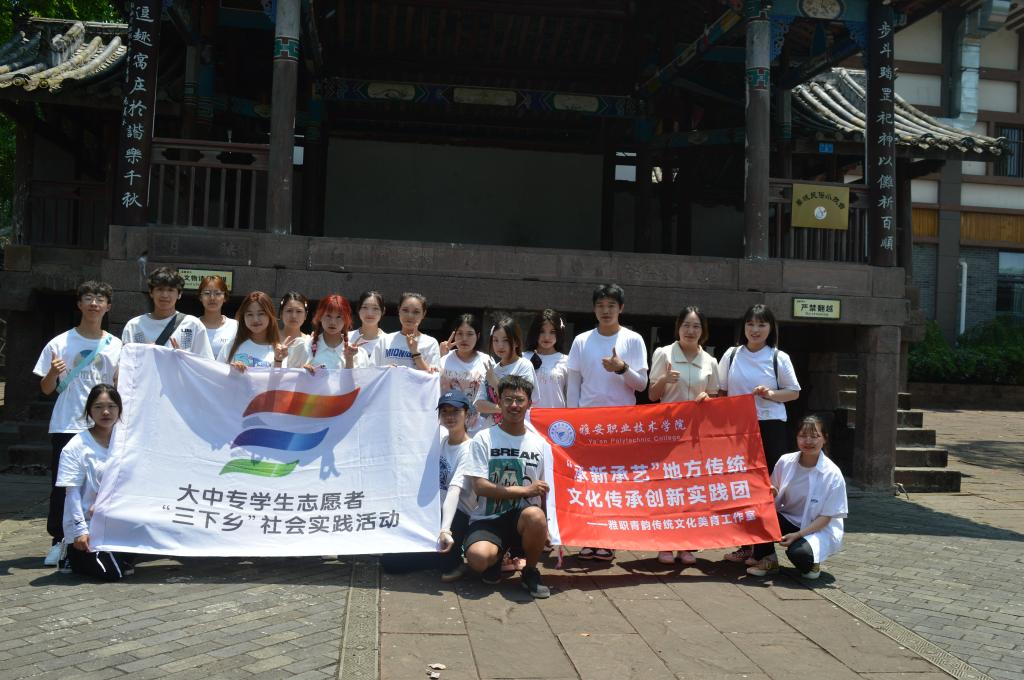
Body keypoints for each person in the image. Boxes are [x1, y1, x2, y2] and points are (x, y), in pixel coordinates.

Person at [33, 281, 123, 566]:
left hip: (104, 425)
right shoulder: (60, 343)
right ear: (79, 304)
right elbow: (46, 389)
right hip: (68, 423)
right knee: (63, 486)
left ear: (108, 306)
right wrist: (52, 373)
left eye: (100, 299)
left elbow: (121, 386)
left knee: (104, 484)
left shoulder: (116, 345)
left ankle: (99, 536)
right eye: (88, 298)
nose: (94, 303)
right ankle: (60, 541)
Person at [567, 283, 648, 562]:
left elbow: (642, 385)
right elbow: (573, 384)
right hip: (588, 422)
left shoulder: (633, 340)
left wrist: (622, 368)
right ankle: (588, 537)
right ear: (593, 309)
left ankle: (608, 539)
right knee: (588, 482)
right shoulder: (581, 341)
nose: (606, 311)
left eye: (611, 305)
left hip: (620, 424)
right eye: (600, 306)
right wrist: (572, 420)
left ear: (621, 308)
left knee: (614, 482)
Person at [718, 303, 801, 565]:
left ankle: (765, 553)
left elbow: (794, 392)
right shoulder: (731, 355)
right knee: (741, 486)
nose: (755, 329)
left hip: (769, 427)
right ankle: (747, 546)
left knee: (765, 488)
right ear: (743, 327)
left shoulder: (778, 357)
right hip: (738, 428)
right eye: (750, 324)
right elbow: (721, 392)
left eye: (761, 324)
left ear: (770, 328)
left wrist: (771, 394)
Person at [462, 375, 552, 599]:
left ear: (529, 404)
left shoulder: (541, 444)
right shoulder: (483, 438)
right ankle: (497, 557)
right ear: (499, 402)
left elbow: (547, 492)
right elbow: (480, 487)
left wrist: (550, 527)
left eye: (520, 400)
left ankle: (530, 571)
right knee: (477, 559)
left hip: (524, 519)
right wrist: (525, 490)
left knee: (536, 517)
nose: (514, 405)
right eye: (508, 399)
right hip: (488, 518)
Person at [648, 306, 719, 565]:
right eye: (686, 325)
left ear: (703, 331)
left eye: (696, 326)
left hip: (696, 434)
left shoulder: (710, 361)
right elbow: (652, 395)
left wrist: (708, 398)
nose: (691, 330)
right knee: (667, 488)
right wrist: (664, 379)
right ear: (678, 327)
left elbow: (716, 398)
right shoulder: (664, 353)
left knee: (691, 489)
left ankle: (686, 545)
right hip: (668, 432)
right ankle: (665, 544)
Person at [746, 415, 847, 580]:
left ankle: (812, 563)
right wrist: (772, 492)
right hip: (790, 518)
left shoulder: (832, 474)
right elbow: (774, 489)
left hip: (817, 526)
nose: (808, 441)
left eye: (814, 436)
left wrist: (798, 535)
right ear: (796, 437)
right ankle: (768, 560)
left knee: (799, 555)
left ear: (825, 439)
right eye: (803, 436)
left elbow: (826, 517)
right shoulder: (785, 461)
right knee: (757, 516)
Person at [56, 384, 134, 580]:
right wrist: (80, 531)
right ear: (89, 411)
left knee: (128, 564)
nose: (106, 412)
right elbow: (72, 493)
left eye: (111, 406)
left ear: (120, 409)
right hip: (89, 523)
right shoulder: (76, 446)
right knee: (113, 573)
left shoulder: (126, 442)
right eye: (98, 407)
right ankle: (71, 552)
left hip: (117, 519)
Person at [121, 267, 214, 360]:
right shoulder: (134, 326)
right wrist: (145, 354)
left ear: (179, 294)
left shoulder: (193, 324)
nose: (165, 295)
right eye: (160, 289)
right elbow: (126, 363)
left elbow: (207, 363)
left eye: (170, 290)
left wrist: (184, 359)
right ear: (151, 292)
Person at [436, 391, 478, 582]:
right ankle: (435, 558)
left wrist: (445, 529)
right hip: (435, 511)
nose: (449, 416)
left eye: (455, 411)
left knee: (447, 567)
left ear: (466, 414)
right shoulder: (442, 441)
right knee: (392, 563)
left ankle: (454, 561)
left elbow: (454, 491)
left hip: (459, 516)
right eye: (444, 412)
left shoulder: (470, 449)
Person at [474, 316, 537, 431]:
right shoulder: (491, 370)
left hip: (517, 429)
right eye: (495, 340)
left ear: (516, 342)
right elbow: (479, 405)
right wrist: (503, 408)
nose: (500, 345)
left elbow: (520, 400)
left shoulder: (524, 366)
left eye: (506, 340)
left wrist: (494, 383)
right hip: (493, 430)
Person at [439, 314, 494, 434]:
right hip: (445, 428)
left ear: (477, 336)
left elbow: (493, 394)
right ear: (454, 335)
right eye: (460, 333)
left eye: (469, 334)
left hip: (477, 429)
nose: (464, 338)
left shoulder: (487, 361)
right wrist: (439, 356)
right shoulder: (443, 359)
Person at [289, 294, 372, 370]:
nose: (333, 322)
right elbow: (289, 377)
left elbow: (361, 381)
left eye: (339, 317)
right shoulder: (304, 346)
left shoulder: (358, 354)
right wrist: (302, 372)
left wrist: (349, 359)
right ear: (320, 317)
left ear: (346, 320)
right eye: (328, 316)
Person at [217, 291, 293, 371]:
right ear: (243, 318)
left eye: (261, 314)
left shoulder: (280, 350)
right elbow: (216, 374)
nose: (255, 320)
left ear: (270, 315)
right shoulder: (231, 346)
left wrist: (278, 361)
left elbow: (280, 378)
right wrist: (232, 372)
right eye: (250, 314)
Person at [371, 292, 440, 372]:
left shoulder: (430, 343)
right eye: (405, 310)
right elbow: (371, 371)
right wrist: (386, 370)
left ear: (423, 314)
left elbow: (433, 376)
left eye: (416, 312)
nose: (410, 316)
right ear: (399, 310)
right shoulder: (385, 340)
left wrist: (416, 354)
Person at [523, 309, 569, 409]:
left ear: (559, 333)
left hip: (557, 417)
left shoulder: (566, 361)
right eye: (542, 331)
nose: (547, 337)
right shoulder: (523, 358)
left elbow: (571, 395)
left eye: (552, 332)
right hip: (528, 416)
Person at [197, 275, 237, 359]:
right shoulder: (193, 325)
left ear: (225, 297)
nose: (212, 298)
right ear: (200, 297)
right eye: (207, 293)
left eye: (218, 293)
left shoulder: (235, 326)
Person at [349, 290, 386, 357]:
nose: (370, 313)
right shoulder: (346, 339)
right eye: (365, 307)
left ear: (383, 311)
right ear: (358, 310)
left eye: (375, 308)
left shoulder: (388, 341)